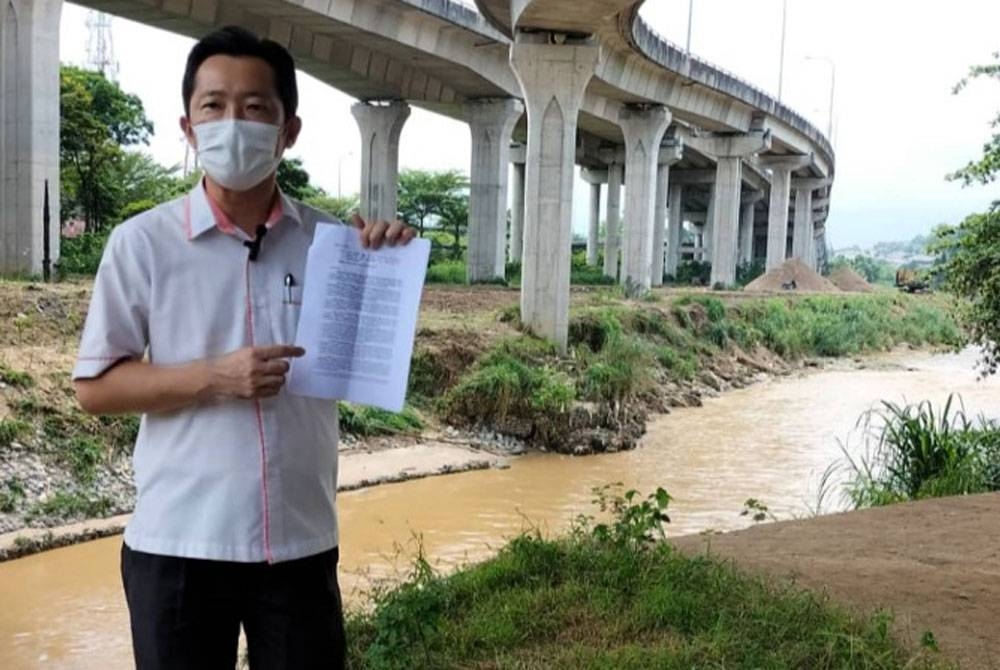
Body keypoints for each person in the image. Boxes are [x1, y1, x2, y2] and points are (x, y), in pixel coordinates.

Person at [72, 25, 416, 669]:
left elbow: (365, 366)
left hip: (297, 544)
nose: (234, 122)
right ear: (188, 124)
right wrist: (214, 377)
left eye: (256, 108)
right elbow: (95, 387)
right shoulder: (140, 243)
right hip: (178, 546)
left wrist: (387, 268)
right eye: (215, 106)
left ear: (289, 130)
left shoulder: (334, 244)